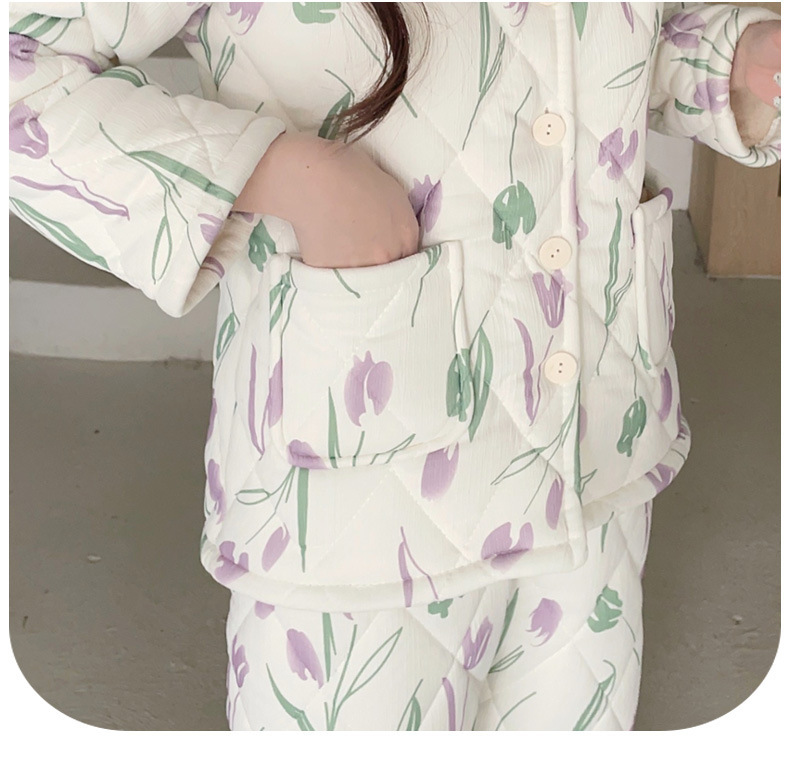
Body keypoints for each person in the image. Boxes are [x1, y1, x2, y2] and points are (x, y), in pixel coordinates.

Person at [8, 2, 780, 731]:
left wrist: (736, 65)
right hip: (362, 505)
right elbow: (20, 70)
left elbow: (622, 46)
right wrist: (288, 175)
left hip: (596, 461)